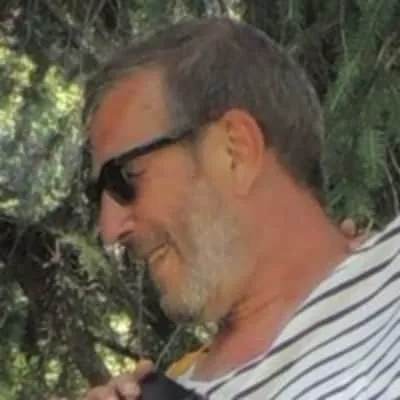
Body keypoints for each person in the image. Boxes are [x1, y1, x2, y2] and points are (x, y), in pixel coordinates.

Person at [83, 17, 400, 399]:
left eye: (124, 177)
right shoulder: (168, 390)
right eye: (97, 194)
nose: (109, 229)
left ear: (235, 150)